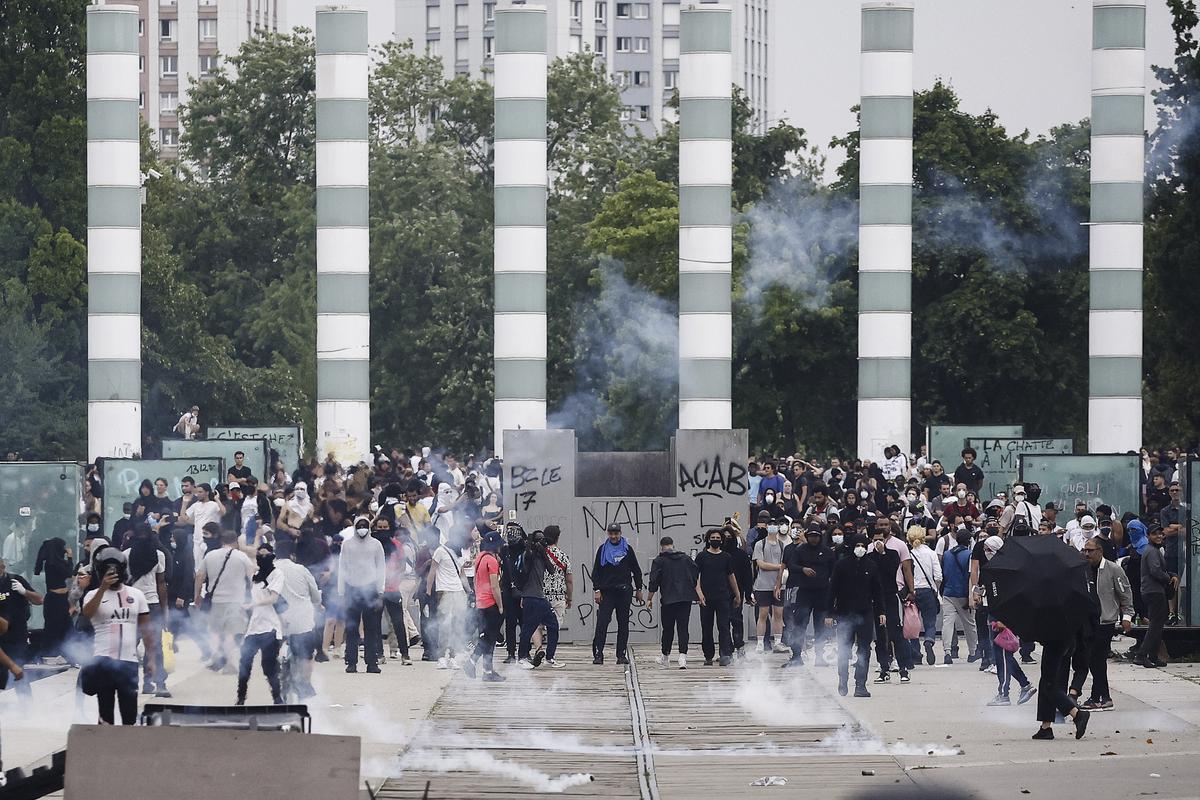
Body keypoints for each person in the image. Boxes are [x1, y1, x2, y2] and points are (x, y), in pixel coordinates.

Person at [81, 547, 153, 724]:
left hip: (129, 662)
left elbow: (146, 629)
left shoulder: (136, 595)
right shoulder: (91, 595)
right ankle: (105, 748)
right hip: (102, 661)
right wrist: (102, 588)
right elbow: (87, 614)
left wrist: (152, 658)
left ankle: (127, 749)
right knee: (105, 714)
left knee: (129, 714)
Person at [825, 534, 885, 697]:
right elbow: (832, 590)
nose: (860, 548)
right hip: (844, 614)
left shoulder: (871, 566)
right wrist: (829, 613)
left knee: (864, 650)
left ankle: (860, 685)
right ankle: (843, 681)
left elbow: (877, 591)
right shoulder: (841, 565)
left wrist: (881, 612)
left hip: (865, 613)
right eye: (857, 545)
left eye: (863, 545)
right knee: (844, 649)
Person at [1077, 539, 1132, 710]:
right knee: (1092, 660)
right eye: (1084, 550)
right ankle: (1098, 696)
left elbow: (1125, 593)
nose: (1086, 554)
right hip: (1087, 621)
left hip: (1105, 621)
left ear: (1099, 551)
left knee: (1097, 659)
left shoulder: (1113, 569)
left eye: (1090, 551)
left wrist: (1127, 616)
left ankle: (1103, 697)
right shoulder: (1082, 569)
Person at [193, 526, 255, 673]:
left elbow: (200, 576)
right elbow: (252, 578)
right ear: (236, 542)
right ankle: (230, 664)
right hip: (236, 601)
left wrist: (197, 595)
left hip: (215, 600)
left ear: (221, 541)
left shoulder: (210, 555)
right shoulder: (242, 557)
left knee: (215, 631)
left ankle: (216, 658)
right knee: (230, 633)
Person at [273, 537, 325, 697]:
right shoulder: (301, 569)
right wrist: (318, 604)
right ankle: (304, 683)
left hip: (275, 621)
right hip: (301, 620)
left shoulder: (268, 569)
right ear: (292, 555)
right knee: (307, 655)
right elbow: (315, 595)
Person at [781, 522, 834, 667]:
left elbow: (833, 571)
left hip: (822, 592)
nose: (813, 539)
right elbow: (791, 565)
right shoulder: (800, 550)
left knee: (820, 627)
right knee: (799, 624)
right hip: (804, 592)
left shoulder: (827, 551)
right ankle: (796, 656)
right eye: (810, 536)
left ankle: (820, 657)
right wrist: (803, 569)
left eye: (816, 536)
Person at [126, 525, 170, 697]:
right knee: (147, 646)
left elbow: (161, 582)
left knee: (146, 645)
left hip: (141, 604)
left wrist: (163, 608)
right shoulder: (130, 555)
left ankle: (152, 683)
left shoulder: (157, 556)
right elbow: (161, 584)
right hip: (145, 605)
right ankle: (152, 683)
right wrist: (163, 608)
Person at [237, 541, 284, 705]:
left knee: (268, 665)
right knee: (244, 661)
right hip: (254, 627)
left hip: (270, 627)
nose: (262, 558)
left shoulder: (276, 574)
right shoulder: (255, 576)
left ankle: (278, 698)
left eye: (265, 555)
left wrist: (253, 604)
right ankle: (240, 698)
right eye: (259, 555)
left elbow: (273, 598)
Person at [591, 523, 644, 666]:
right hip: (607, 592)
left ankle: (621, 654)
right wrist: (597, 590)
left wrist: (639, 589)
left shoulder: (627, 549)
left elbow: (636, 570)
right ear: (608, 534)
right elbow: (596, 572)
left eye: (616, 533)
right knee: (602, 623)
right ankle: (598, 654)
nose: (614, 536)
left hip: (624, 591)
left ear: (620, 533)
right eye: (611, 534)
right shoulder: (602, 550)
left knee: (623, 624)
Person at [341, 515, 386, 673]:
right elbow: (342, 568)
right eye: (359, 525)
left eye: (364, 525)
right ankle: (351, 662)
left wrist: (380, 591)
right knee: (352, 629)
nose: (362, 528)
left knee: (371, 629)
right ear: (354, 526)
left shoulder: (376, 545)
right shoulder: (347, 545)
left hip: (371, 589)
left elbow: (381, 568)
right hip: (352, 589)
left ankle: (372, 663)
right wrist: (342, 592)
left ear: (368, 527)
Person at [646, 536, 700, 669]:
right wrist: (696, 592)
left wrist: (649, 598)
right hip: (685, 598)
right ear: (672, 545)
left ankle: (665, 657)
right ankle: (683, 657)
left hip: (668, 599)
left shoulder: (659, 561)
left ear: (661, 546)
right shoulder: (685, 558)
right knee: (683, 627)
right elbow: (695, 575)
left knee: (668, 628)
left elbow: (654, 581)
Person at [462, 529, 505, 682]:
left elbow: (475, 580)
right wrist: (500, 606)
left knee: (487, 638)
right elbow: (495, 586)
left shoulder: (480, 557)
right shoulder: (492, 561)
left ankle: (487, 671)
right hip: (491, 603)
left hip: (481, 603)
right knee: (488, 639)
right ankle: (471, 662)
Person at [515, 529, 562, 669]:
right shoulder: (528, 554)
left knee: (553, 625)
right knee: (528, 628)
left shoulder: (542, 555)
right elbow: (528, 557)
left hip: (540, 597)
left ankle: (549, 657)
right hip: (531, 596)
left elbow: (552, 570)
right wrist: (531, 545)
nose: (542, 543)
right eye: (539, 540)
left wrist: (543, 551)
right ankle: (522, 657)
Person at [695, 528, 739, 666]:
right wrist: (699, 593)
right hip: (706, 598)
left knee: (724, 626)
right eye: (712, 537)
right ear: (708, 539)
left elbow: (731, 576)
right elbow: (695, 577)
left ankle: (725, 654)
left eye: (717, 538)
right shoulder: (702, 556)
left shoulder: (726, 557)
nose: (715, 540)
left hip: (722, 596)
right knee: (706, 627)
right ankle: (708, 655)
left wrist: (737, 594)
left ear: (721, 540)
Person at [1134, 524, 1176, 668]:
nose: (1158, 536)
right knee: (1155, 625)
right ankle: (1141, 655)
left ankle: (1152, 655)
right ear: (1148, 536)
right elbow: (1155, 571)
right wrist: (1168, 578)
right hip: (1154, 591)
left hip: (1153, 590)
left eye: (1160, 533)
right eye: (1154, 534)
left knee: (1157, 625)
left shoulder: (1154, 550)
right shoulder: (1151, 551)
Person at [429, 526, 471, 669]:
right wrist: (429, 591)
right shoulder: (440, 551)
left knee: (456, 626)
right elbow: (432, 572)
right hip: (444, 591)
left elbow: (462, 574)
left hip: (458, 591)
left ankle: (452, 657)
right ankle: (441, 657)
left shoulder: (459, 553)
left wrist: (469, 590)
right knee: (444, 625)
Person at [0, 557, 44, 694]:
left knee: (18, 669)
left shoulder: (15, 580)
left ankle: (26, 707)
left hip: (16, 636)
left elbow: (39, 600)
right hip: (1, 636)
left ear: (3, 566)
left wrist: (24, 592)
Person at [938, 529, 978, 665]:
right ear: (968, 541)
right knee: (969, 624)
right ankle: (973, 652)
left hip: (948, 592)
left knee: (947, 622)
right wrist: (971, 595)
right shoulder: (969, 555)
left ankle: (947, 652)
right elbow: (970, 576)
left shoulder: (947, 554)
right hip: (963, 594)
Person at [906, 526, 942, 667]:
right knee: (930, 621)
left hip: (912, 591)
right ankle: (929, 640)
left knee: (913, 623)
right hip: (928, 590)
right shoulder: (931, 553)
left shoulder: (908, 554)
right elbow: (938, 576)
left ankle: (916, 654)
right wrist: (935, 589)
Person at [34, 538, 73, 664]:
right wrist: (70, 558)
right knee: (53, 628)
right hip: (54, 599)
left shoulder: (57, 562)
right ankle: (49, 654)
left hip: (62, 598)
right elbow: (68, 572)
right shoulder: (52, 563)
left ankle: (69, 652)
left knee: (67, 626)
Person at [752, 518, 787, 655]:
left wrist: (779, 580)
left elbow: (785, 565)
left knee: (778, 614)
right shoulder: (760, 544)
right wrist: (779, 566)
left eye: (775, 525)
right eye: (770, 525)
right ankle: (760, 642)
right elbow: (761, 564)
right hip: (763, 585)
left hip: (778, 584)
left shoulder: (782, 545)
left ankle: (778, 642)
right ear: (766, 527)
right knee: (763, 614)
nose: (773, 527)